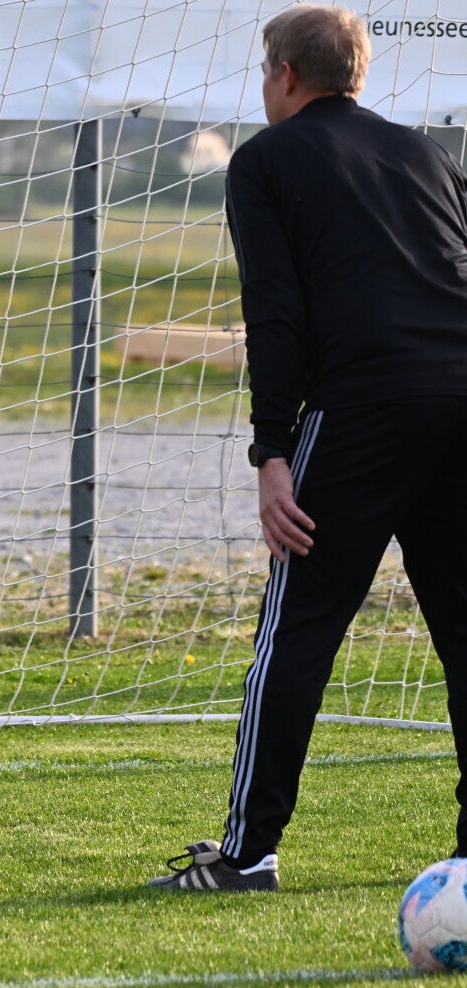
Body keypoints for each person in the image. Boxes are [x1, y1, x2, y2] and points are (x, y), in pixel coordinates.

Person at [151, 5, 467, 891]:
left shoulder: (266, 160)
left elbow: (275, 314)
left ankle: (248, 853)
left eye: (264, 72)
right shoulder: (428, 154)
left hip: (365, 408)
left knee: (296, 631)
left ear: (287, 75)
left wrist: (272, 451)